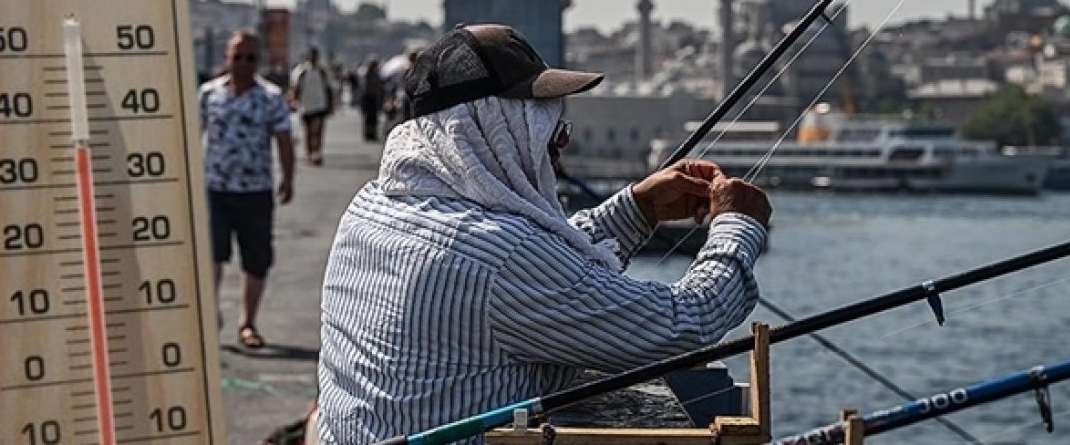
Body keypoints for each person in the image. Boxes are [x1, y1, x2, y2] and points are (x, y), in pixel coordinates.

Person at [313, 24, 771, 444]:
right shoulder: (499, 258)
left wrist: (638, 208)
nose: (561, 140)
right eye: (548, 124)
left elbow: (538, 266)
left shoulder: (371, 206)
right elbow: (681, 326)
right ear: (493, 129)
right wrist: (737, 225)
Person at [199, 30, 295, 349]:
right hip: (215, 188)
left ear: (259, 61)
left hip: (255, 190)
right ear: (226, 57)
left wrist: (288, 177)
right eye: (237, 56)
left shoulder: (269, 97)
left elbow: (283, 137)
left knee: (256, 259)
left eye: (250, 58)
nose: (243, 63)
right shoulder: (209, 94)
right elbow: (191, 133)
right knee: (213, 254)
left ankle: (248, 323)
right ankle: (209, 315)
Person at [288, 46, 336, 165]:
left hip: (320, 104)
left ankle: (317, 152)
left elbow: (329, 88)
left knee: (317, 130)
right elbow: (295, 87)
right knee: (309, 131)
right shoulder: (301, 71)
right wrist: (294, 101)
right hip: (305, 105)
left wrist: (331, 104)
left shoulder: (322, 72)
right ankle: (309, 152)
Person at [358, 56, 384, 141]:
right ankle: (368, 134)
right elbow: (364, 87)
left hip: (374, 97)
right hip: (367, 97)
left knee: (374, 117)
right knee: (368, 117)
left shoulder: (376, 74)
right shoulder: (365, 73)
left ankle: (373, 133)